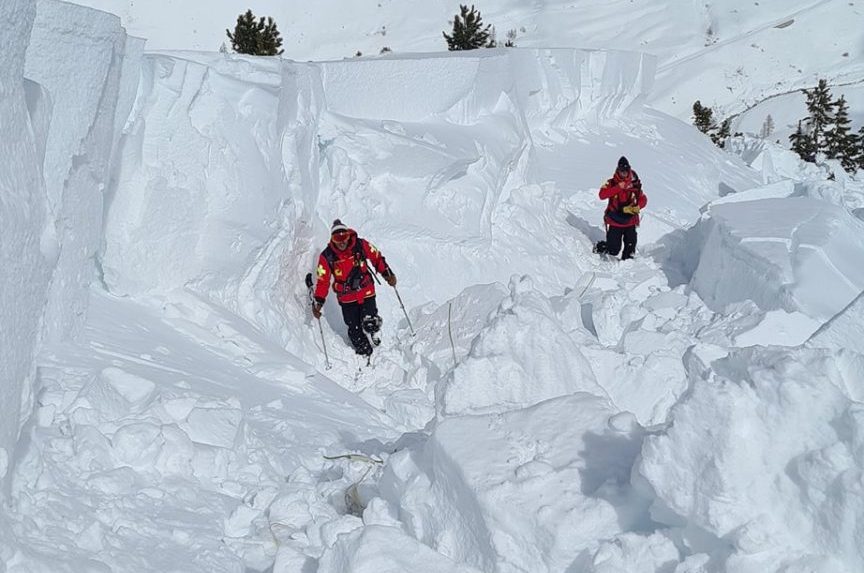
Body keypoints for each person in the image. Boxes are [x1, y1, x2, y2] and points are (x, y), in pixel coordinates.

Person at [312, 219, 397, 357]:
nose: (341, 242)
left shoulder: (360, 245)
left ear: (348, 235)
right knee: (354, 327)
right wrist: (319, 301)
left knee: (370, 320)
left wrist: (387, 274)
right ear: (332, 239)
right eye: (337, 238)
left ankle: (373, 333)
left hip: (366, 291)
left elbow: (376, 257)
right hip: (347, 297)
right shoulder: (327, 256)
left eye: (343, 236)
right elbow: (323, 281)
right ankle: (364, 350)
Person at [595, 156, 647, 260]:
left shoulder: (634, 183)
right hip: (615, 220)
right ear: (618, 170)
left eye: (626, 171)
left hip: (630, 221)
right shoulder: (611, 182)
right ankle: (600, 247)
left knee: (629, 253)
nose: (624, 173)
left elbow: (643, 199)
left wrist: (637, 207)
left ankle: (627, 268)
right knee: (613, 250)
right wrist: (618, 187)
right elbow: (602, 195)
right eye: (622, 171)